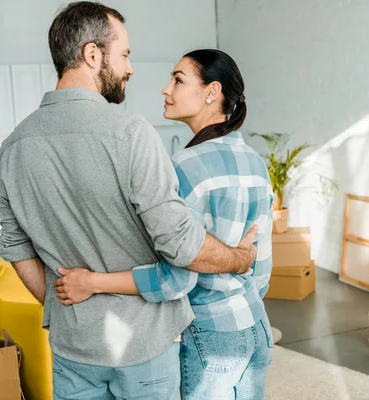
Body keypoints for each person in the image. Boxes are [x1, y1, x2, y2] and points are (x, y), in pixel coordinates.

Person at [0, 3, 258, 399]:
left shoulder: (12, 146)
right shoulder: (131, 133)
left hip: (72, 347)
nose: (130, 69)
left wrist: (65, 307)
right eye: (125, 55)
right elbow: (181, 245)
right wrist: (241, 258)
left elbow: (14, 246)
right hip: (143, 347)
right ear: (93, 54)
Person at [56, 49, 275, 400]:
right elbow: (261, 265)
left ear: (211, 91)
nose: (165, 89)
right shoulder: (255, 162)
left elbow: (177, 276)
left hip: (208, 334)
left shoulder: (183, 167)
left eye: (178, 79)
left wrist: (93, 282)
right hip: (255, 327)